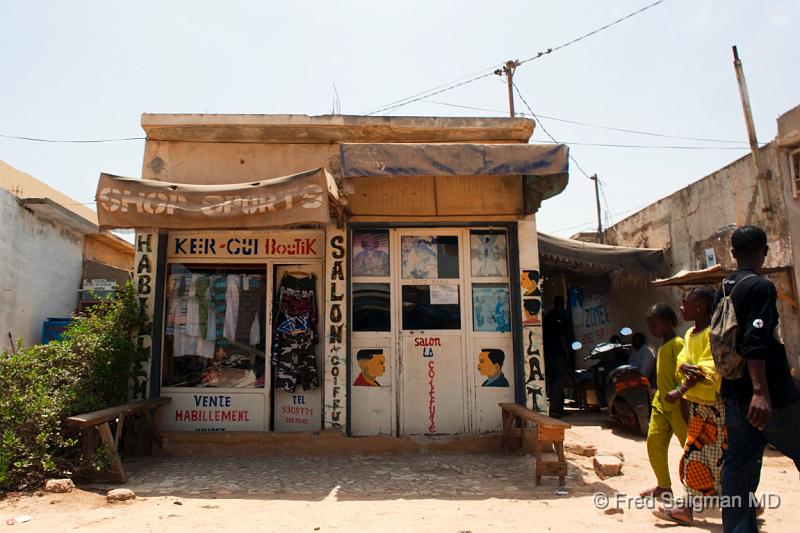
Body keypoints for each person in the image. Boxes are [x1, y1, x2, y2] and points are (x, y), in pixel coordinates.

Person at [718, 226, 800, 533]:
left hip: (733, 394)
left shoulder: (724, 287)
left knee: (738, 470)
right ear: (764, 252)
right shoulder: (760, 288)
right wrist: (760, 392)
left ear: (733, 254)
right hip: (771, 396)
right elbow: (755, 341)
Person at [655, 286, 724, 526]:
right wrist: (684, 368)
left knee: (711, 456)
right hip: (697, 406)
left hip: (713, 407)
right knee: (697, 457)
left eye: (686, 303)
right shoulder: (689, 334)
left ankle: (692, 508)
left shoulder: (712, 334)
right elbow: (684, 362)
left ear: (701, 306)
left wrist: (680, 389)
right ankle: (741, 502)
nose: (682, 308)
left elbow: (709, 369)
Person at [640, 304, 687, 500]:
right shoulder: (661, 346)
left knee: (692, 449)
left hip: (678, 405)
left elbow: (684, 374)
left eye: (654, 324)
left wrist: (683, 399)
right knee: (654, 442)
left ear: (668, 323)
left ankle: (708, 488)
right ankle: (663, 486)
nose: (651, 328)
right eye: (649, 324)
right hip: (661, 403)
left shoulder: (678, 344)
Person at [543, 296, 570, 417]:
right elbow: (562, 337)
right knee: (559, 381)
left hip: (549, 354)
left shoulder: (549, 316)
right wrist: (567, 353)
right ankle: (555, 409)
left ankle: (558, 408)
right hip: (558, 354)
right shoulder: (562, 315)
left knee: (555, 380)